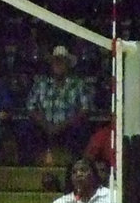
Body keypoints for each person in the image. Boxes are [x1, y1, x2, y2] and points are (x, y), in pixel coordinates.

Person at [26, 45, 92, 173]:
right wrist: (45, 125)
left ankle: (73, 167)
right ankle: (31, 168)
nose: (58, 65)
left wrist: (63, 125)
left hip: (68, 127)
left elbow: (85, 109)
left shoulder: (78, 84)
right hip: (43, 127)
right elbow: (30, 107)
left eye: (62, 61)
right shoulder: (41, 83)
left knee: (80, 132)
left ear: (68, 64)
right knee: (27, 130)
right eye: (56, 61)